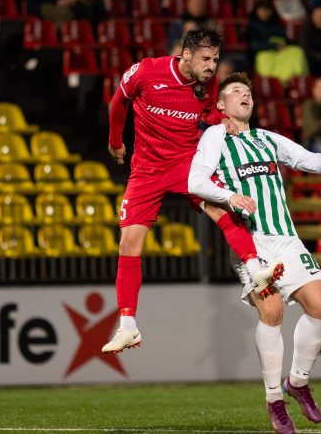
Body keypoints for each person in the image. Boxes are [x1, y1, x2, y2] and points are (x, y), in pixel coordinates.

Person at [188, 72, 321, 433]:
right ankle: (274, 400)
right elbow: (195, 181)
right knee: (271, 312)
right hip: (250, 241)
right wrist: (230, 197)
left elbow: (315, 163)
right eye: (236, 91)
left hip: (286, 238)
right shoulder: (215, 137)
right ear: (221, 105)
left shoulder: (267, 139)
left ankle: (298, 383)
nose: (245, 95)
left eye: (248, 92)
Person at [102, 26, 280, 355]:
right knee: (128, 243)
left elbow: (206, 111)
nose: (212, 66)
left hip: (187, 164)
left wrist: (220, 119)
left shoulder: (207, 84)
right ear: (186, 54)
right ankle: (128, 326)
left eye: (215, 59)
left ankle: (255, 269)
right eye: (206, 58)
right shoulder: (146, 71)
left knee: (222, 208)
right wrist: (116, 142)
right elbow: (118, 102)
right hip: (147, 170)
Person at [247, 0, 308, 83]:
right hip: (265, 51)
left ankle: (296, 80)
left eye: (267, 10)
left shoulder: (277, 24)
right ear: (257, 11)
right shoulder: (253, 26)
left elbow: (286, 39)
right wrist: (274, 46)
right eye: (261, 10)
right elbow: (254, 44)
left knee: (297, 52)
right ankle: (278, 83)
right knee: (262, 57)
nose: (264, 12)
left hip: (282, 50)